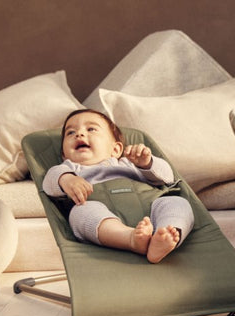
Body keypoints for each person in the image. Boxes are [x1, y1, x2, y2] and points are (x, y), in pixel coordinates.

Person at [43, 108, 193, 264]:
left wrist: (147, 163)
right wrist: (67, 179)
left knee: (177, 203)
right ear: (64, 155)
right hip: (103, 217)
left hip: (150, 210)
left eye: (91, 129)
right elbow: (49, 182)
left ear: (116, 149)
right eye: (70, 132)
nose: (79, 134)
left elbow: (168, 177)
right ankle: (130, 239)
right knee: (79, 212)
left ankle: (164, 236)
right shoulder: (70, 168)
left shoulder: (130, 163)